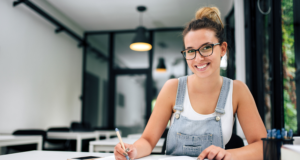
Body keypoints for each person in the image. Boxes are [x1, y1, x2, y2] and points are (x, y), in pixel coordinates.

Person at [114, 6, 266, 160]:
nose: (198, 58)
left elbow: (262, 147)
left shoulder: (237, 90)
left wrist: (228, 154)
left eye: (206, 48)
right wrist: (133, 149)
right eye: (190, 51)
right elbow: (147, 141)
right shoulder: (172, 88)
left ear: (223, 49)